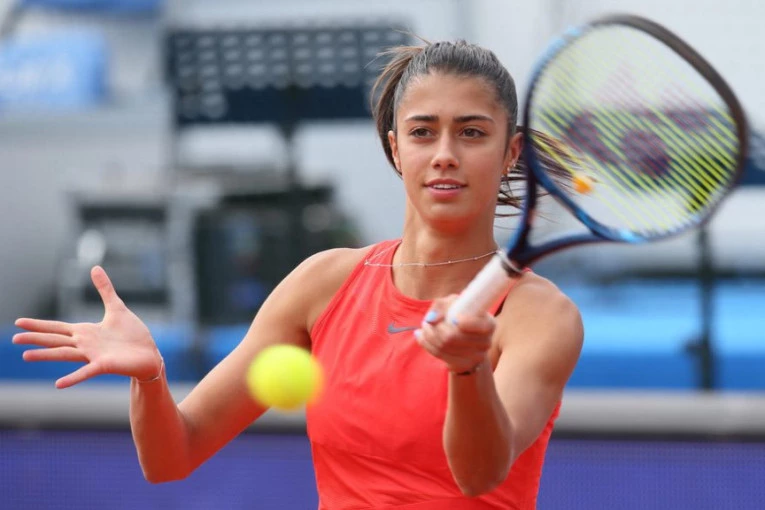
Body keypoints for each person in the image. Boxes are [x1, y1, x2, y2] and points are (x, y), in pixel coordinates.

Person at [13, 39, 583, 509]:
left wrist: (466, 369)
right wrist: (151, 378)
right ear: (395, 149)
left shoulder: (541, 316)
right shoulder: (323, 282)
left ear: (511, 153)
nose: (444, 154)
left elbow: (479, 476)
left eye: (472, 132)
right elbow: (172, 456)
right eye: (422, 131)